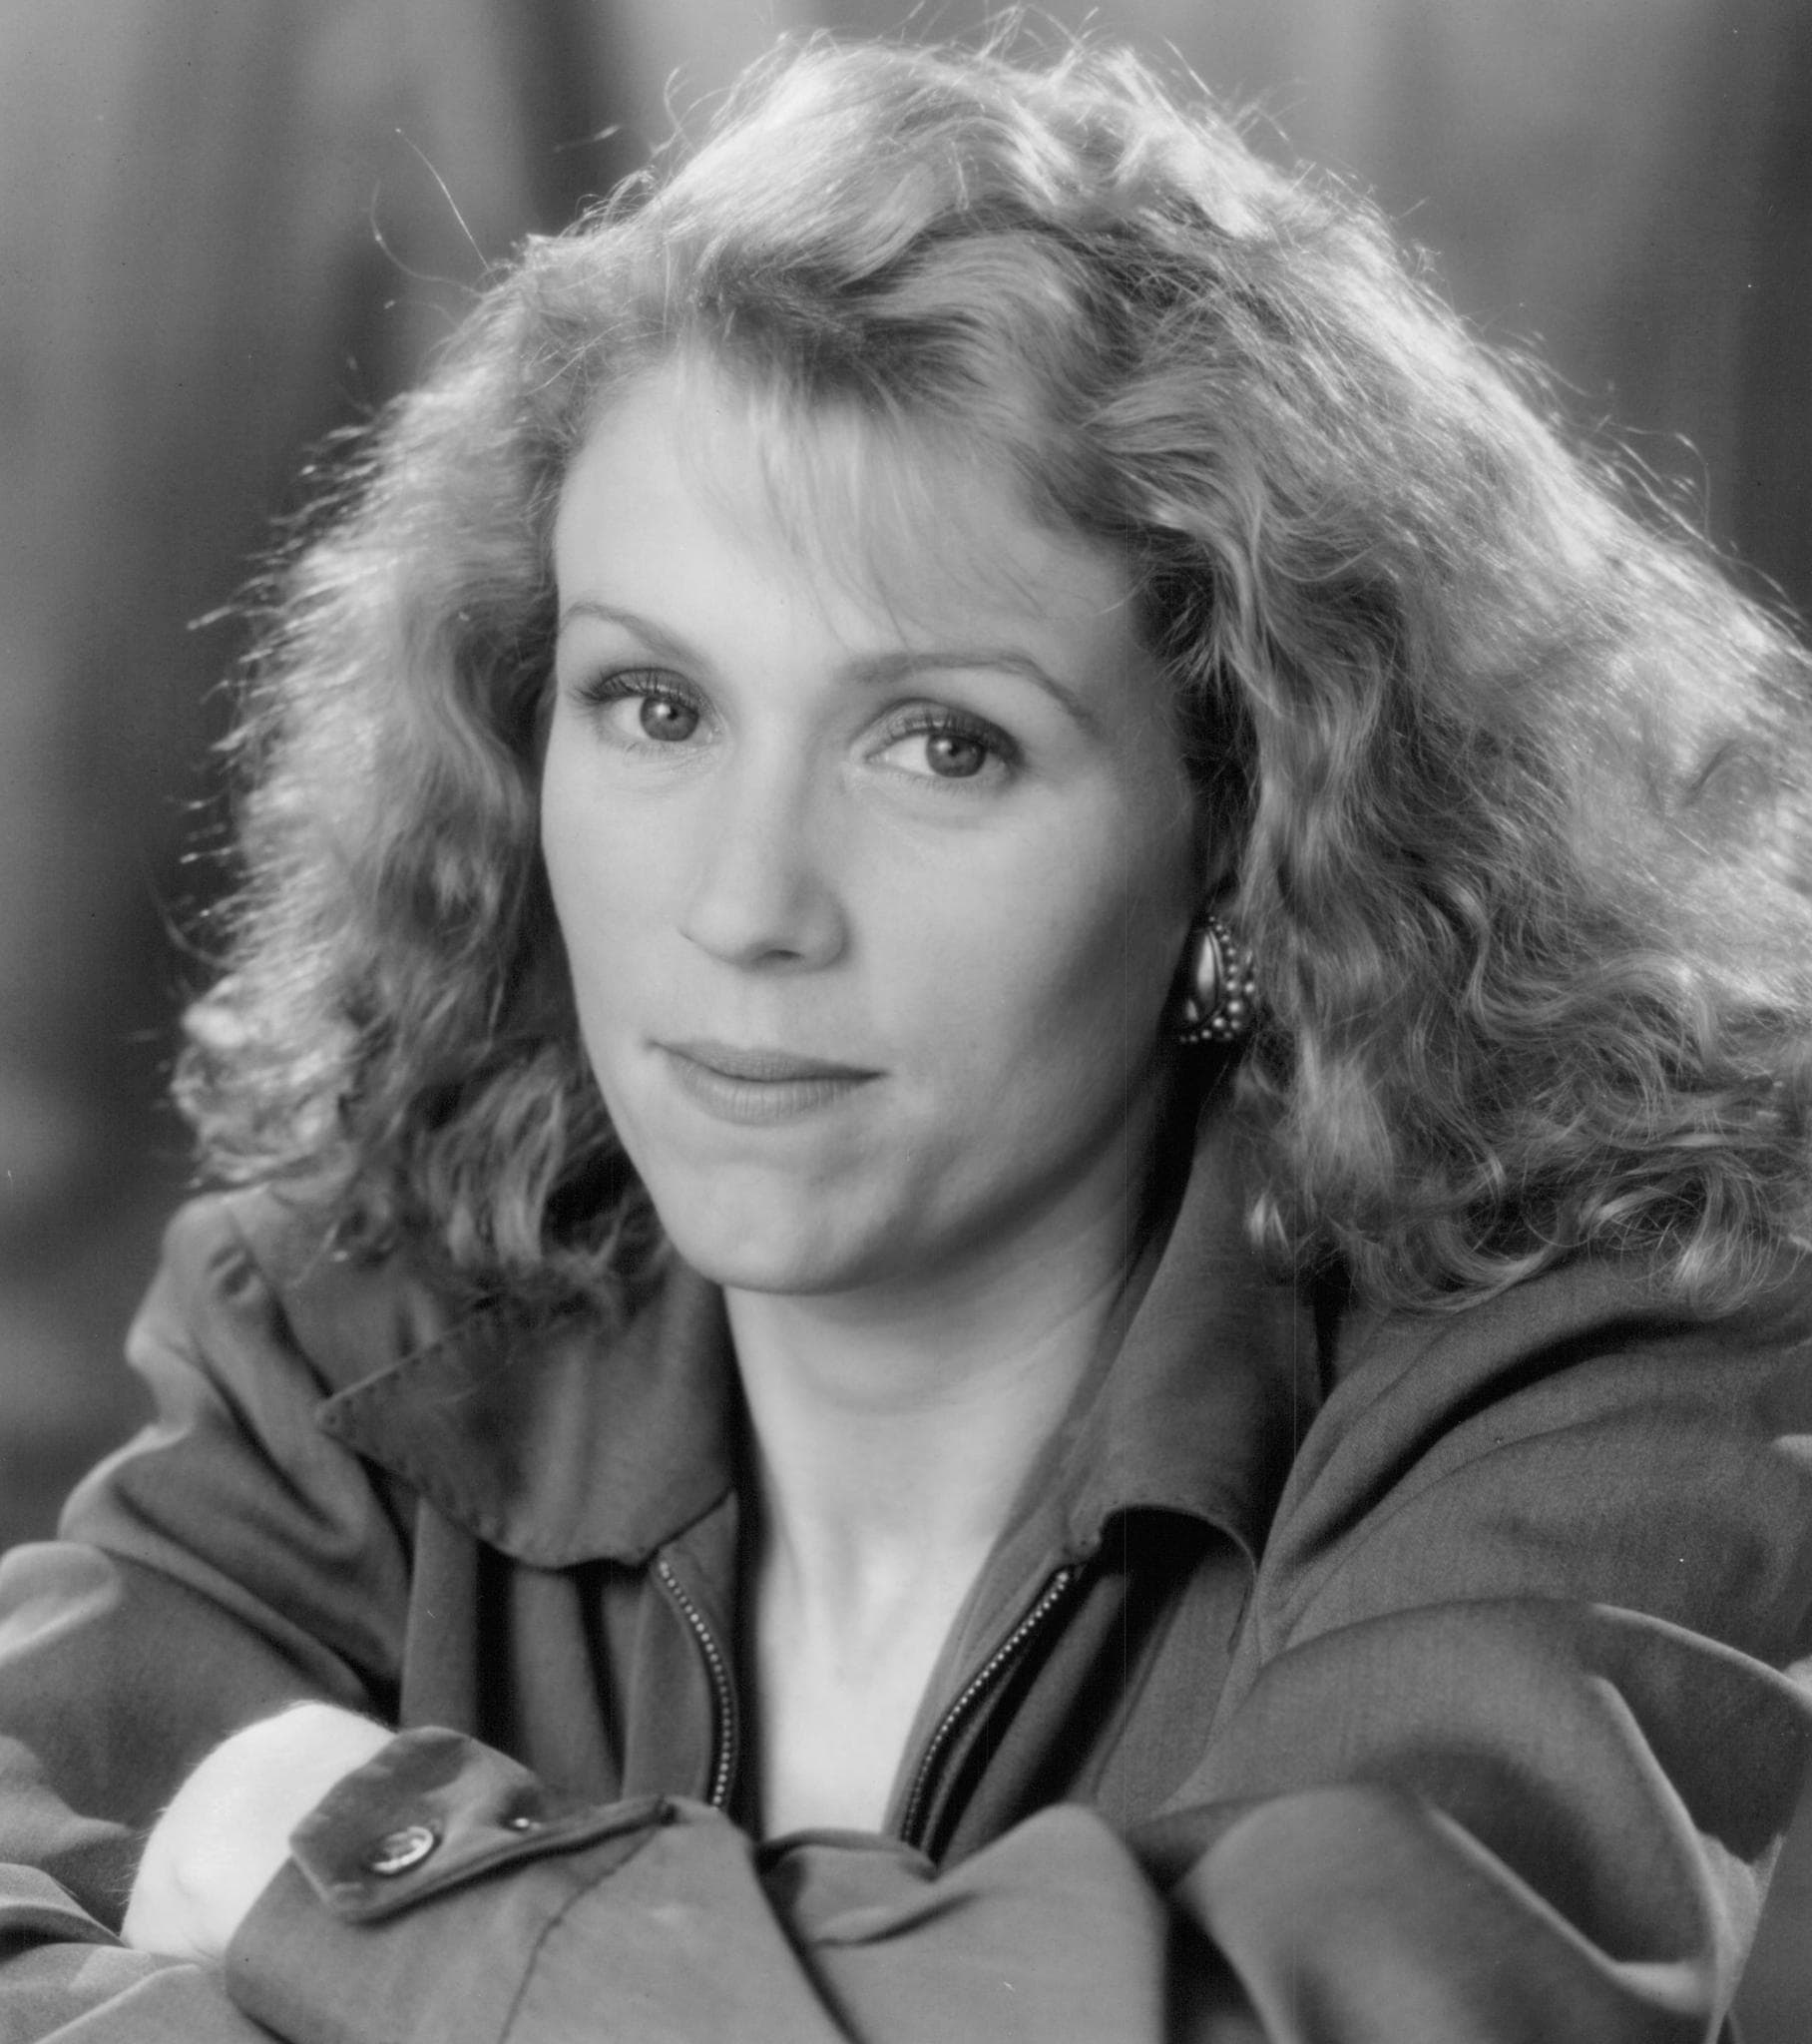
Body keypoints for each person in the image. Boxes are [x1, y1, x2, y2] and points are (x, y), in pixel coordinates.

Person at [3, 30, 1811, 2043]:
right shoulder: (343, 1324)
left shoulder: (1611, 1370)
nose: (745, 904)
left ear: (1248, 833)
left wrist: (349, 1867)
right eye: (655, 707)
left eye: (942, 744)